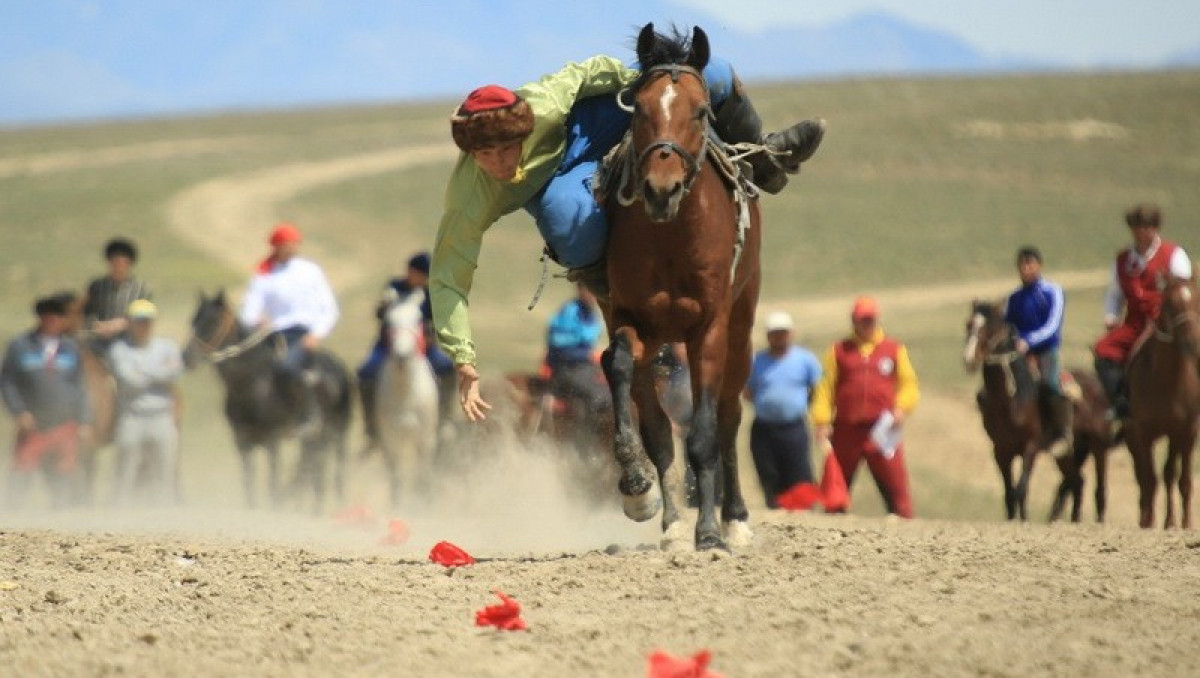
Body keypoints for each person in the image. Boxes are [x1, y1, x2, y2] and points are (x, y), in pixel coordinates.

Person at [430, 43, 826, 422]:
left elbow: (588, 73)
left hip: (586, 127)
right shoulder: (470, 195)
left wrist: (639, 82)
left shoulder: (543, 105)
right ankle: (618, 294)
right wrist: (462, 358)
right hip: (554, 181)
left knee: (709, 74)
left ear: (523, 130)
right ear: (470, 153)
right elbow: (448, 275)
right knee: (566, 221)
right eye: (485, 156)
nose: (497, 164)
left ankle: (764, 157)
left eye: (506, 150)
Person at [811, 297, 920, 519]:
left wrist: (902, 408)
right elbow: (825, 387)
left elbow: (909, 383)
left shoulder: (893, 349)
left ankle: (903, 520)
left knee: (895, 483)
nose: (867, 325)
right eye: (863, 320)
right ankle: (833, 523)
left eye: (870, 320)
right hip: (846, 428)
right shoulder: (838, 350)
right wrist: (821, 420)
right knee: (836, 480)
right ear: (854, 321)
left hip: (882, 429)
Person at [1094, 203, 1193, 420]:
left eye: (1147, 228)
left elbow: (1186, 292)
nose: (1142, 233)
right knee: (1103, 351)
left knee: (1192, 348)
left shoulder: (1173, 255)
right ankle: (1122, 403)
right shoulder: (1123, 260)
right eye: (1137, 228)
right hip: (1135, 323)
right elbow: (1115, 294)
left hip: (1167, 323)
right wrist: (1111, 315)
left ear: (1155, 229)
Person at [238, 222, 339, 436]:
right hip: (272, 336)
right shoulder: (264, 275)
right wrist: (258, 319)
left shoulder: (310, 271)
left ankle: (309, 414)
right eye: (284, 244)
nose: (289, 248)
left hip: (302, 335)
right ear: (275, 246)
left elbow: (329, 309)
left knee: (285, 367)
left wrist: (316, 334)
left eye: (292, 243)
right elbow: (248, 311)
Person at [1, 294, 92, 508]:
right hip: (34, 424)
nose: (53, 321)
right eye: (48, 316)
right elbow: (7, 382)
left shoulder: (70, 349)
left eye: (58, 316)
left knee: (64, 473)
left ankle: (63, 519)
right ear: (40, 317)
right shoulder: (20, 346)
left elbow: (80, 387)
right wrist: (19, 411)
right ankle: (12, 517)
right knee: (22, 468)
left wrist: (85, 420)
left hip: (64, 423)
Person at [357, 251, 456, 447]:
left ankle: (443, 419)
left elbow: (439, 321)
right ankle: (372, 427)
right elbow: (380, 315)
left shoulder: (432, 294)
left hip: (422, 347)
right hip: (388, 346)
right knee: (366, 372)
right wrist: (384, 306)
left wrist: (428, 336)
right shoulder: (394, 287)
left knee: (446, 368)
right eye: (418, 273)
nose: (421, 278)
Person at [744, 311, 823, 509]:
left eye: (783, 332)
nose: (779, 337)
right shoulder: (756, 361)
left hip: (793, 428)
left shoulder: (805, 360)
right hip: (764, 429)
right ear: (768, 335)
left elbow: (817, 390)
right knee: (769, 474)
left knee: (799, 474)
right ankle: (775, 512)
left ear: (791, 333)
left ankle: (803, 516)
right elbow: (748, 392)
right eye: (774, 333)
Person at [108, 300, 184, 506]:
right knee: (126, 471)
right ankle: (119, 516)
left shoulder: (167, 346)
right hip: (131, 417)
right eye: (139, 321)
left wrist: (142, 371)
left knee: (165, 473)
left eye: (147, 321)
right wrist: (160, 372)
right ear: (130, 323)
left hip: (162, 417)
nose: (144, 325)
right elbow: (128, 380)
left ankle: (165, 518)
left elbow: (175, 373)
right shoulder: (119, 349)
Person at [1002, 246, 1071, 458]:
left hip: (1046, 351)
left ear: (1039, 265)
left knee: (1050, 385)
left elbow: (1052, 325)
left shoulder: (1052, 292)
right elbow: (1008, 326)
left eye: (1030, 264)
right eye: (1022, 265)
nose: (1025, 268)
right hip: (1020, 353)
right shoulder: (1014, 298)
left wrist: (1028, 341)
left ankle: (1061, 434)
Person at [544, 281, 609, 445]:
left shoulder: (593, 313)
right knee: (598, 396)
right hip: (567, 369)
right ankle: (586, 442)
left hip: (586, 367)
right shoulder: (569, 311)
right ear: (580, 289)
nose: (592, 295)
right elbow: (557, 342)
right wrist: (585, 353)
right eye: (588, 290)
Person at [82, 237, 153, 355]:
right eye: (115, 261)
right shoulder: (97, 286)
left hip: (129, 342)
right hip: (99, 340)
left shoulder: (141, 289)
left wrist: (121, 324)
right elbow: (87, 313)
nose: (119, 265)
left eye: (123, 262)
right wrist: (98, 326)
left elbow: (145, 317)